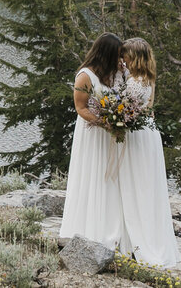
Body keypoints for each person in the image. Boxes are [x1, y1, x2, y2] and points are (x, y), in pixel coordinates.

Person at [116, 37, 181, 268]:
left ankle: (137, 241)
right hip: (148, 133)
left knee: (136, 186)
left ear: (134, 58)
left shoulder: (134, 82)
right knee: (147, 186)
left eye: (125, 55)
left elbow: (125, 111)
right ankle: (144, 237)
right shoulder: (147, 78)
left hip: (137, 136)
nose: (122, 59)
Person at [59, 32, 126, 247]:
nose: (120, 59)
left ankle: (110, 228)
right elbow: (80, 107)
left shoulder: (114, 74)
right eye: (117, 55)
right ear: (105, 54)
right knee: (93, 175)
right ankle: (87, 228)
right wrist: (103, 122)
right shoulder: (85, 76)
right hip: (92, 134)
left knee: (110, 180)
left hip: (108, 135)